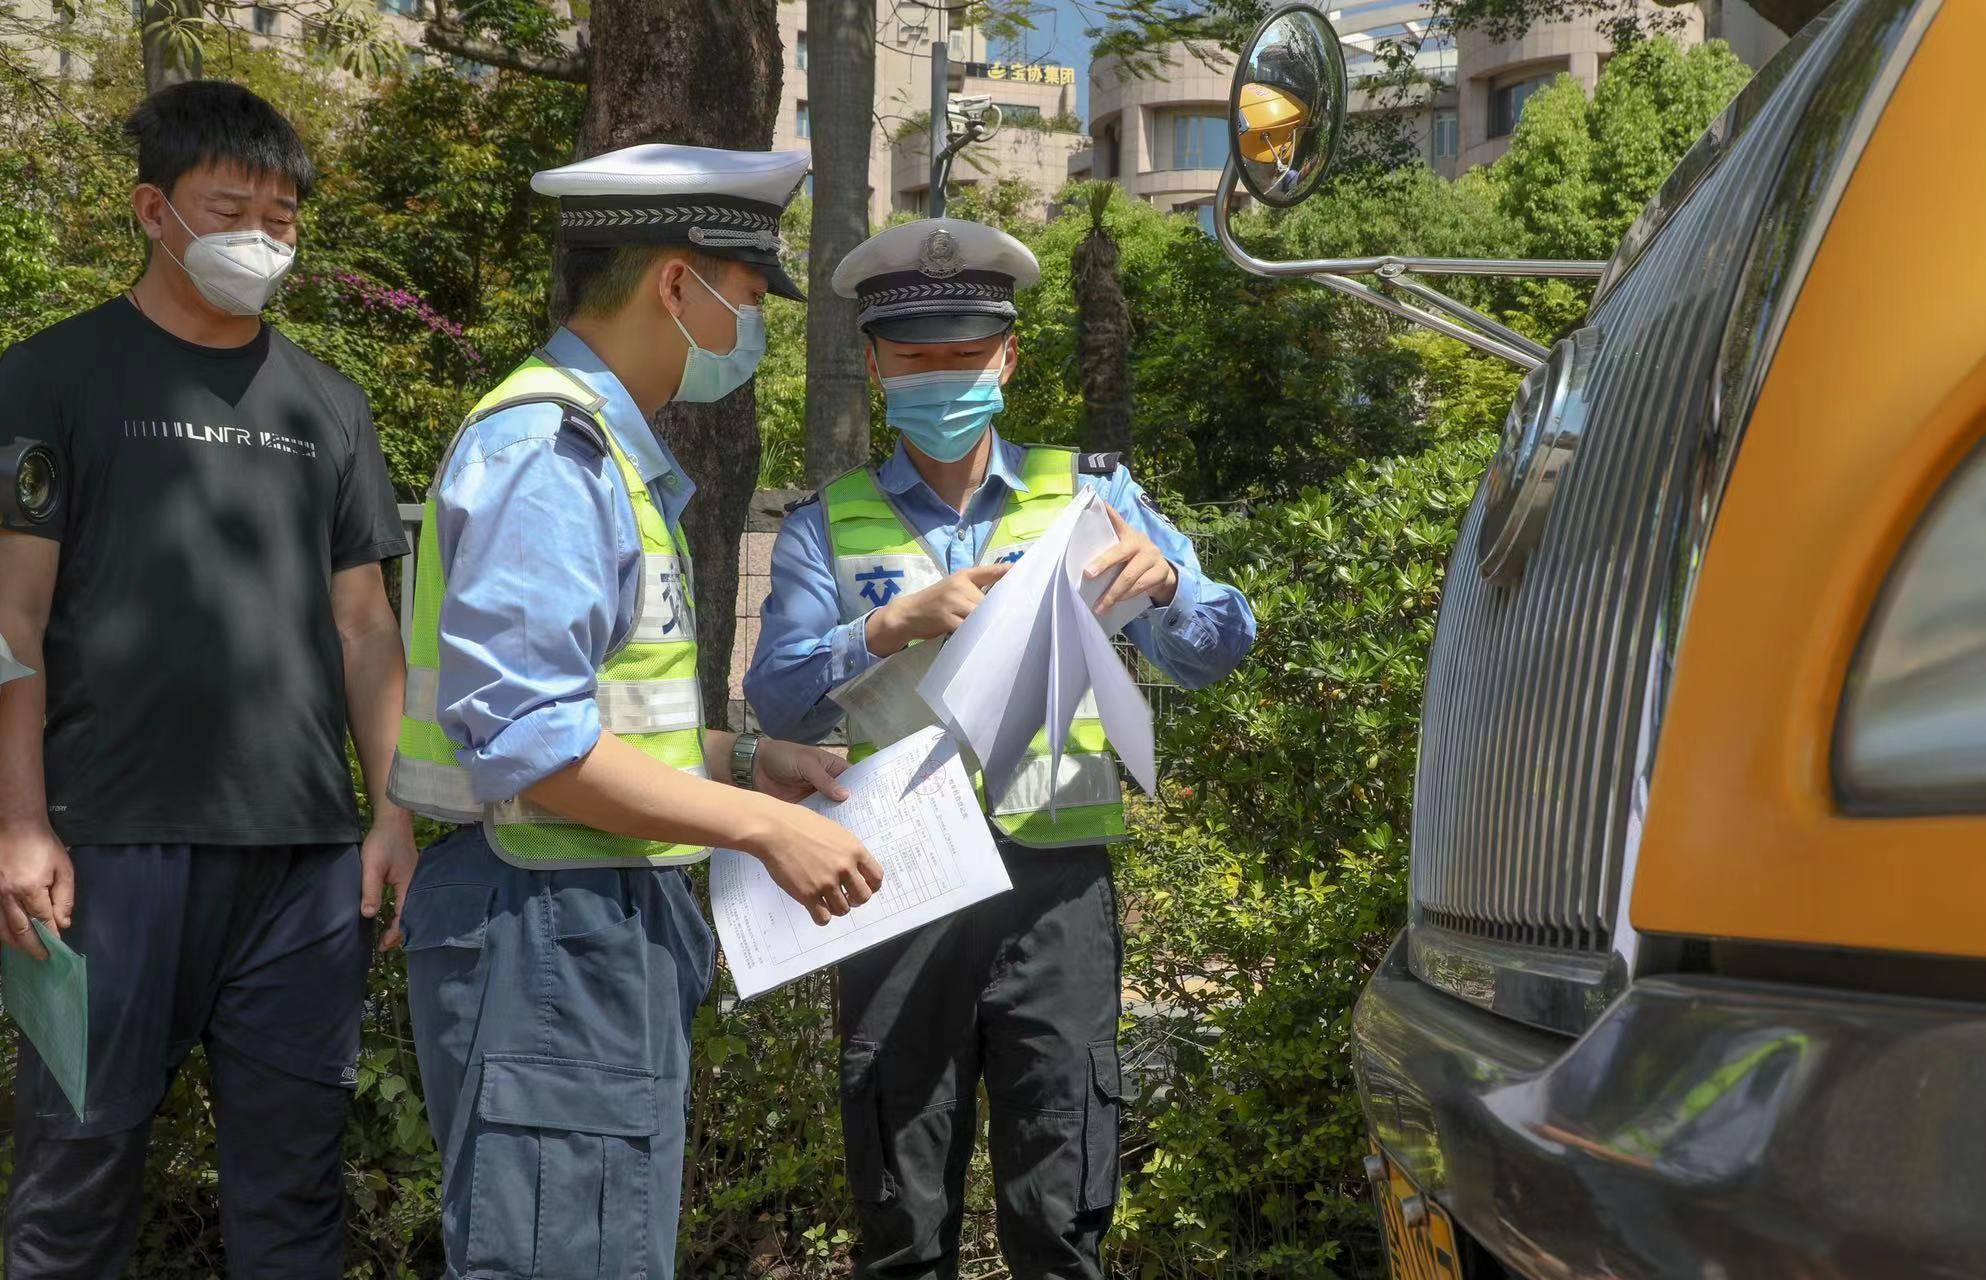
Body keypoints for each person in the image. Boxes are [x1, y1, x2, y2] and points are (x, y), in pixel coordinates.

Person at [390, 143, 885, 1280]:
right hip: (549, 928)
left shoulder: (603, 450)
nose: (750, 331)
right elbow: (528, 743)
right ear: (679, 284)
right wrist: (765, 828)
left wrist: (751, 762)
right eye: (750, 299)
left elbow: (598, 711)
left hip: (582, 926)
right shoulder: (550, 453)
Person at [744, 218, 1257, 1280]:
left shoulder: (1091, 495)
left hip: (1054, 888)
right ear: (879, 365)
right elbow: (778, 699)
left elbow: (1216, 648)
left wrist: (1170, 584)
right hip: (898, 880)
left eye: (967, 354)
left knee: (1060, 1206)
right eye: (918, 356)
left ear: (1008, 359)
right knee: (901, 1212)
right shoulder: (825, 526)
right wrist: (885, 625)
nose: (944, 375)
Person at [0, 81, 415, 1277]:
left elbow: (364, 627)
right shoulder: (49, 379)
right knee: (72, 1189)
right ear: (152, 208)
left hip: (302, 864)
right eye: (231, 205)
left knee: (293, 1199)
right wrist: (20, 821)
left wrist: (390, 811)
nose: (262, 236)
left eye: (282, 215)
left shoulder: (330, 405)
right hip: (100, 857)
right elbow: (10, 613)